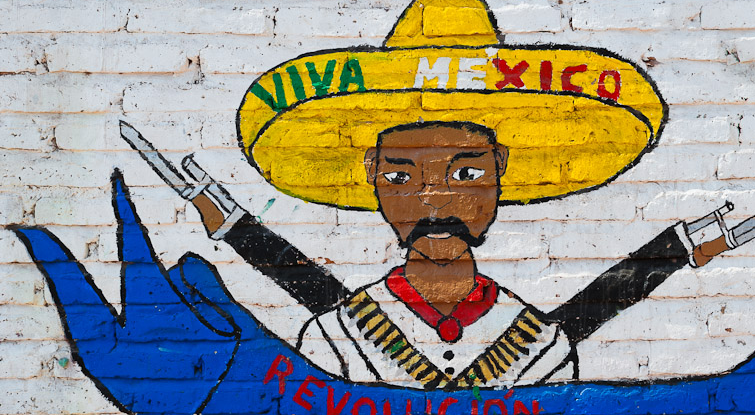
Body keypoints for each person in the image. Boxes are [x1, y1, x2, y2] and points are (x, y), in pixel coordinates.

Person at [191, 118, 701, 388]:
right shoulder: (334, 338)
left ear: (501, 167)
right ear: (370, 173)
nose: (433, 201)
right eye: (400, 177)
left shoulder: (540, 348)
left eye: (466, 175)